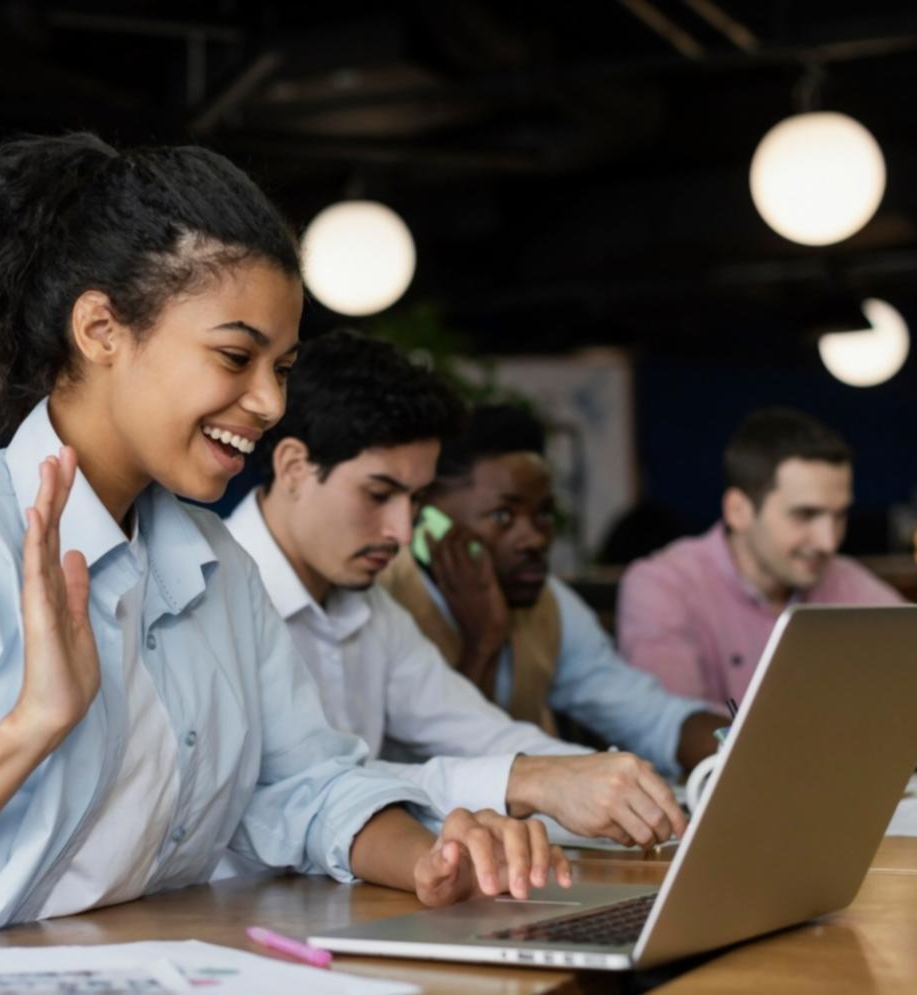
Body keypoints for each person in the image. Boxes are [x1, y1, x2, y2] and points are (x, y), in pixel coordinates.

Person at [0, 134, 566, 974]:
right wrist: (32, 725)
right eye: (234, 356)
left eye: (281, 367)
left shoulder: (218, 567)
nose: (269, 401)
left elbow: (303, 781)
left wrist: (432, 857)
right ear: (102, 328)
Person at [226, 332, 693, 848]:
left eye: (416, 500)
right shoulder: (211, 595)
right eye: (379, 494)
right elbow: (299, 790)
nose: (402, 532)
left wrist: (626, 791)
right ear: (293, 467)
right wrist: (530, 780)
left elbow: (483, 736)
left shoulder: (371, 607)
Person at [618, 407, 917, 755]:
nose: (828, 540)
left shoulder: (845, 579)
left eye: (839, 516)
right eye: (805, 515)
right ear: (738, 510)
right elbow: (674, 728)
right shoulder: (662, 585)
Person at [372, 402, 729, 776]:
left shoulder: (548, 603)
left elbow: (651, 717)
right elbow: (448, 763)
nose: (533, 538)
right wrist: (484, 642)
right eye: (503, 516)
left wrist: (739, 748)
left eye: (543, 515)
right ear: (429, 518)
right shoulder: (386, 596)